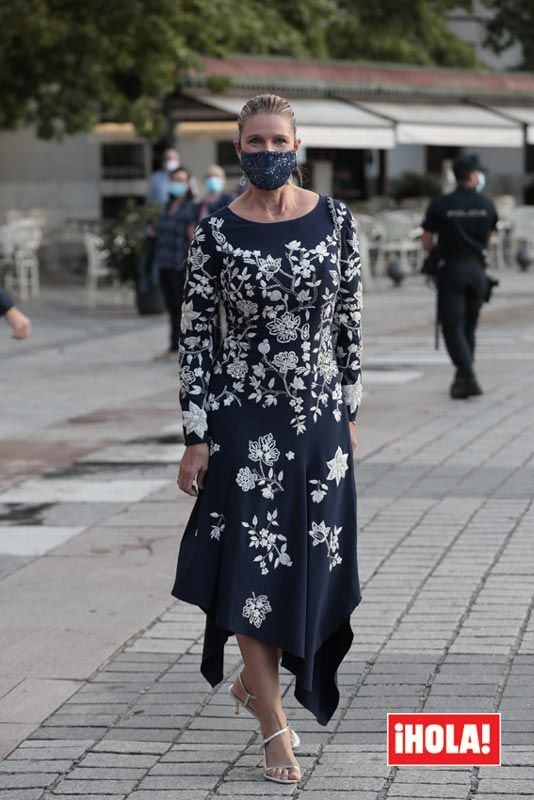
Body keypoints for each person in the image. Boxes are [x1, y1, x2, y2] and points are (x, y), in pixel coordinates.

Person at [172, 94, 363, 785]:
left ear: (298, 143)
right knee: (253, 568)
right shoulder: (214, 234)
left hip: (316, 426)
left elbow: (348, 323)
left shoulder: (336, 221)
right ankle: (273, 723)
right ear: (238, 147)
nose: (265, 150)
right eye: (254, 141)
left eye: (276, 138)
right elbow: (194, 339)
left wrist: (348, 411)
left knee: (304, 569)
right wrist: (196, 434)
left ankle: (261, 686)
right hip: (242, 425)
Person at [422, 152, 498, 399]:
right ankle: (462, 380)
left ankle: (468, 376)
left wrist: (437, 251)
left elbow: (426, 241)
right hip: (477, 270)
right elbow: (490, 239)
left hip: (452, 269)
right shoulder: (487, 205)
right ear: (473, 176)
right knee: (468, 328)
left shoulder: (441, 204)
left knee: (452, 327)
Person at [151, 166, 197, 358]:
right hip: (165, 262)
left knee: (181, 306)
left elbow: (193, 237)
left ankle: (181, 346)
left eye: (181, 180)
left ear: (188, 184)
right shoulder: (166, 206)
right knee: (171, 306)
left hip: (181, 263)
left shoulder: (191, 208)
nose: (177, 184)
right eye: (174, 180)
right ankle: (173, 345)